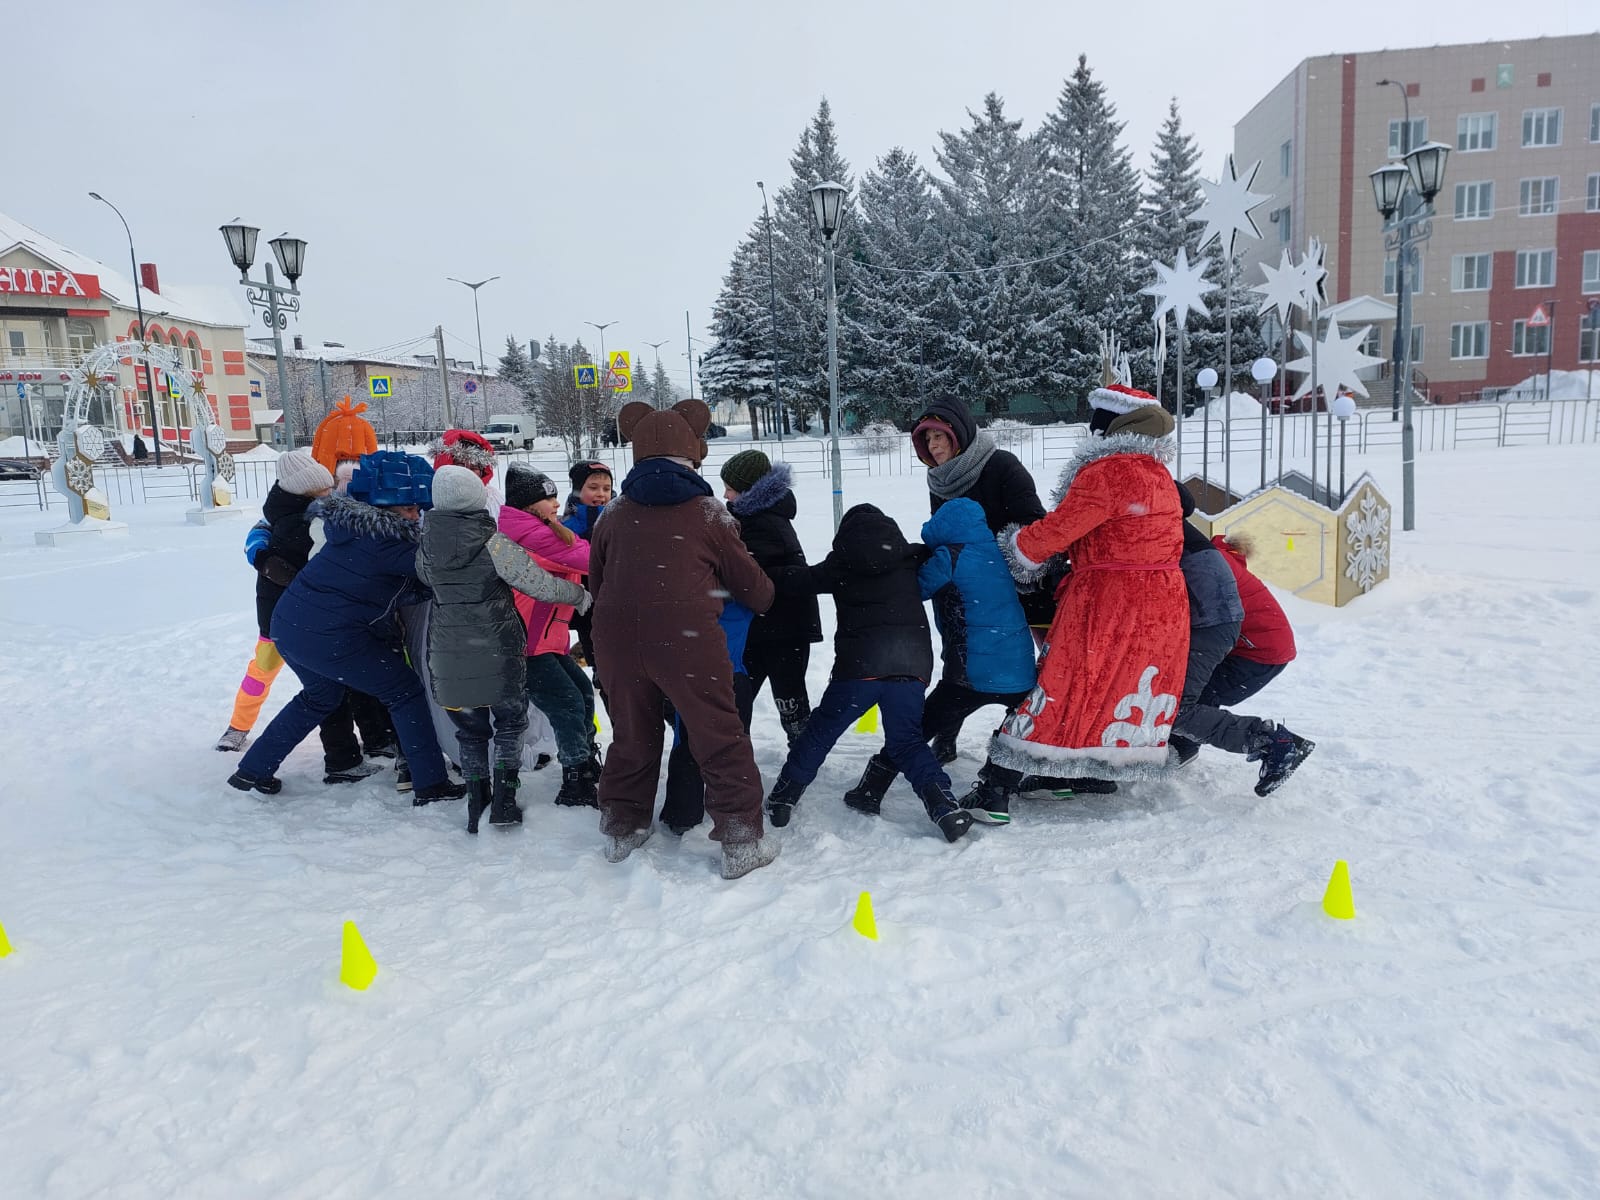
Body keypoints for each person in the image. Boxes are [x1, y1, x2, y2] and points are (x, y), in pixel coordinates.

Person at [961, 380, 1191, 825]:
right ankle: (1086, 774)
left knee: (1061, 683)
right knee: (1119, 689)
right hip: (1163, 603)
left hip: (1109, 599)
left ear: (1111, 424)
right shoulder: (1158, 474)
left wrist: (1015, 546)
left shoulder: (1108, 472)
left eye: (1096, 421)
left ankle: (995, 790)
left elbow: (1051, 536)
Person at [587, 399, 779, 879]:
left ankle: (623, 825)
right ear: (692, 455)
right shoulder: (710, 514)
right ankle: (741, 839)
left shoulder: (611, 515)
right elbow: (756, 591)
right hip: (688, 641)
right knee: (718, 733)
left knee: (631, 733)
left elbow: (598, 582)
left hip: (616, 640)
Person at [228, 451, 466, 804]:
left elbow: (389, 583)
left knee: (319, 697)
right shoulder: (388, 543)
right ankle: (430, 783)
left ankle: (252, 769)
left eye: (419, 509)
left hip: (289, 625)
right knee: (404, 691)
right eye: (409, 509)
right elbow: (439, 573)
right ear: (385, 506)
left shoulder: (350, 526)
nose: (416, 516)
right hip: (330, 636)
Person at [763, 503, 973, 844]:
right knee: (907, 742)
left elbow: (796, 580)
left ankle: (783, 798)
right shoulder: (910, 557)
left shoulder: (840, 564)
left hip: (859, 670)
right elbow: (942, 555)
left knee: (819, 734)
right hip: (911, 669)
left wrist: (758, 569)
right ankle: (945, 807)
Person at [417, 466, 590, 833]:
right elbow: (538, 584)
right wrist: (577, 594)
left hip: (448, 652)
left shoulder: (426, 547)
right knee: (509, 723)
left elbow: (424, 577)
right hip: (497, 647)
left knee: (471, 730)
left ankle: (476, 799)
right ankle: (504, 802)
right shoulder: (493, 544)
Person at [840, 497, 1037, 816]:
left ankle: (871, 787)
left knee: (916, 729)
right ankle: (997, 792)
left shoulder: (950, 557)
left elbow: (913, 590)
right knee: (1018, 729)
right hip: (1020, 668)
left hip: (972, 672)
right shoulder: (999, 554)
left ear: (942, 527)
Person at [214, 449, 388, 781]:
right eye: (324, 490)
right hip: (288, 618)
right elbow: (266, 537)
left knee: (323, 685)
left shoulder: (294, 509)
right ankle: (239, 727)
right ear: (305, 492)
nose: (330, 494)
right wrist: (261, 556)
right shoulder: (297, 520)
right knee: (273, 675)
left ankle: (359, 746)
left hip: (295, 616)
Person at [1163, 489, 1314, 793]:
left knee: (1181, 703)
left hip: (1256, 651)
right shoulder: (1200, 551)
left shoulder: (1195, 559)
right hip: (1255, 644)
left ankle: (1272, 742)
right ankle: (1181, 748)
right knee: (1188, 699)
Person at [499, 465, 603, 806]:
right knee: (566, 703)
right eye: (549, 498)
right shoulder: (531, 534)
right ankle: (575, 779)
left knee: (582, 691)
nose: (557, 503)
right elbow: (588, 558)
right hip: (527, 643)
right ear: (529, 505)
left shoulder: (540, 527)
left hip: (544, 639)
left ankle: (584, 758)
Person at [911, 395, 1052, 630]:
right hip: (977, 598)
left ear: (957, 433)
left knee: (1049, 652)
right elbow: (943, 538)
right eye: (927, 439)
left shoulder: (1002, 465)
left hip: (1026, 589)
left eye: (938, 436)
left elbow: (1034, 524)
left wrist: (995, 559)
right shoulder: (940, 481)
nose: (932, 445)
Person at [720, 450, 821, 744]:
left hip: (784, 630)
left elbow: (751, 576)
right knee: (738, 695)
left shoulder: (762, 523)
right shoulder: (752, 518)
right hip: (761, 627)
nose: (725, 495)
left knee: (788, 701)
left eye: (730, 488)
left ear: (749, 490)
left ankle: (803, 754)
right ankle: (733, 750)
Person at [1205, 532, 1297, 705]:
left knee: (1203, 695)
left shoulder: (1214, 563)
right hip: (1265, 644)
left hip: (1260, 650)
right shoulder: (1219, 559)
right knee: (1199, 694)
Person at [310, 396, 379, 476]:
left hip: (333, 467)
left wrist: (315, 462)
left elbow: (318, 445)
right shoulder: (364, 425)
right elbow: (372, 448)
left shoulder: (330, 425)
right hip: (360, 464)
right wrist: (374, 465)